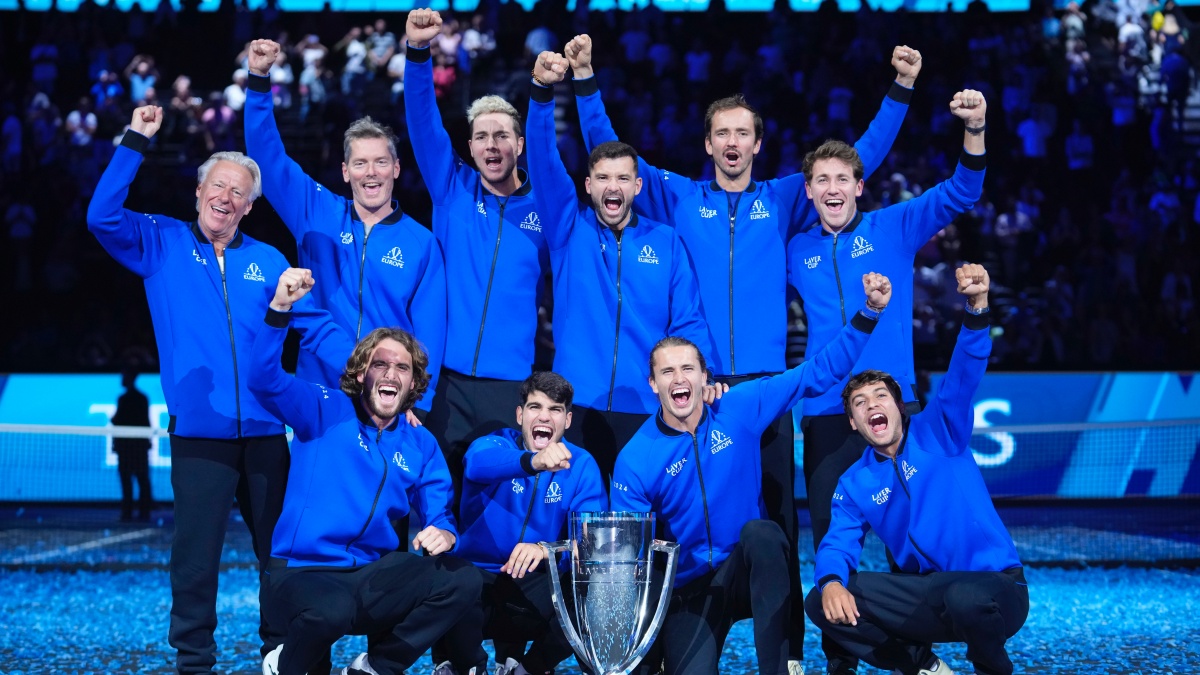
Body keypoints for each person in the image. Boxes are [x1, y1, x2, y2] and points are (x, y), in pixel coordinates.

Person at [564, 36, 920, 669]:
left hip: (762, 388)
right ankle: (667, 631)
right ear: (708, 145)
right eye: (721, 133)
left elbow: (854, 160)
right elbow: (613, 152)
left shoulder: (782, 200)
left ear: (758, 144)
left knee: (776, 527)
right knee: (685, 516)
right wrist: (586, 79)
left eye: (743, 133)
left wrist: (900, 90)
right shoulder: (679, 198)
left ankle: (784, 654)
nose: (732, 142)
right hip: (697, 386)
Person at [787, 89, 988, 675]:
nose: (831, 188)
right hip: (826, 411)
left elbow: (963, 192)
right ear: (809, 191)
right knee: (832, 538)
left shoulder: (895, 226)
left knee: (911, 538)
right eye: (820, 179)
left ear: (859, 185)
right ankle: (841, 659)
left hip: (895, 410)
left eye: (841, 178)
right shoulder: (796, 249)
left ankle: (920, 659)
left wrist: (973, 129)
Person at [87, 105, 290, 674]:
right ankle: (195, 661)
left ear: (250, 206)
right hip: (202, 436)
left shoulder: (270, 260)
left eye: (239, 192)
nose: (225, 196)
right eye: (217, 185)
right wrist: (135, 141)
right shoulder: (161, 242)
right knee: (195, 561)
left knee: (279, 553)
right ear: (198, 190)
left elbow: (311, 331)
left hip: (268, 433)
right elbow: (101, 216)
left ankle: (277, 648)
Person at [610, 273, 894, 675]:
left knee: (764, 534)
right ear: (652, 383)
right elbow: (627, 557)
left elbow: (817, 372)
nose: (679, 379)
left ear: (704, 377)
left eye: (688, 369)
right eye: (668, 372)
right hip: (690, 589)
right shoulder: (636, 457)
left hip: (745, 570)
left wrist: (870, 313)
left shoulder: (739, 406)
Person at [252, 268, 481, 675]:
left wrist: (445, 533)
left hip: (369, 577)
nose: (392, 373)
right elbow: (264, 380)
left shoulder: (420, 443)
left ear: (413, 385)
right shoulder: (324, 408)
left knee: (462, 580)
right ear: (361, 374)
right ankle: (283, 661)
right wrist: (280, 308)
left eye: (403, 368)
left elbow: (439, 512)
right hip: (301, 572)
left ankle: (376, 666)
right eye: (381, 364)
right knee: (332, 611)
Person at [806, 264, 1029, 675]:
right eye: (860, 403)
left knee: (965, 596)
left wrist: (977, 308)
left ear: (900, 408)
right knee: (820, 600)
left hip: (997, 587)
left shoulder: (938, 433)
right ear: (853, 423)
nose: (873, 404)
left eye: (881, 396)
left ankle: (992, 669)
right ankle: (926, 667)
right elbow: (838, 543)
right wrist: (832, 581)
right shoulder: (855, 483)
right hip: (930, 593)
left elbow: (963, 374)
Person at [526, 51, 714, 482]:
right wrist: (541, 92)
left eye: (623, 178)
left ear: (637, 186)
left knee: (648, 529)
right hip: (581, 405)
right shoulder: (567, 230)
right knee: (582, 528)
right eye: (604, 178)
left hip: (650, 409)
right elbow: (542, 161)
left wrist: (704, 375)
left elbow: (687, 319)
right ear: (589, 186)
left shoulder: (665, 241)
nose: (614, 187)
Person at [243, 38, 447, 420]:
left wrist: (418, 401)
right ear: (345, 171)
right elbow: (267, 157)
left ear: (396, 168)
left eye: (381, 162)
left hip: (387, 403)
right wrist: (258, 79)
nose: (371, 173)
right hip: (318, 392)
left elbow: (430, 333)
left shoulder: (422, 243)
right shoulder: (316, 211)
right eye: (360, 163)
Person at [403, 9, 552, 509]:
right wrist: (418, 54)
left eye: (502, 135)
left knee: (496, 511)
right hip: (443, 381)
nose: (492, 144)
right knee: (431, 504)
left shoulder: (547, 209)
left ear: (520, 144)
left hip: (508, 383)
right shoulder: (452, 188)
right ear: (469, 146)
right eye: (482, 136)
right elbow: (423, 121)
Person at [431, 371, 607, 675]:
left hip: (532, 589)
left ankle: (528, 670)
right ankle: (465, 666)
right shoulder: (492, 445)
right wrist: (532, 463)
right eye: (535, 407)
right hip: (477, 583)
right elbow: (477, 466)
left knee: (592, 592)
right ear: (519, 414)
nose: (545, 417)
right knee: (450, 577)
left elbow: (590, 543)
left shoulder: (582, 464)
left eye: (555, 409)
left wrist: (546, 549)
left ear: (567, 420)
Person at [112, 368, 152, 522]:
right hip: (131, 446)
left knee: (139, 480)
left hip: (133, 447)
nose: (121, 378)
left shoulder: (133, 399)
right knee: (134, 480)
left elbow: (119, 421)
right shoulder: (138, 398)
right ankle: (140, 511)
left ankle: (134, 511)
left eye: (124, 376)